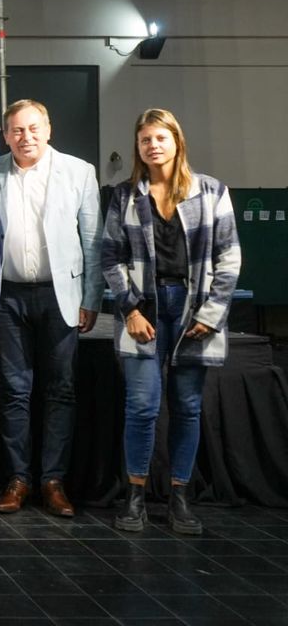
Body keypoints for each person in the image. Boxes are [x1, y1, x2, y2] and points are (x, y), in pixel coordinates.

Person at [103, 108, 240, 535]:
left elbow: (229, 258)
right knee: (142, 406)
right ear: (138, 147)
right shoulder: (125, 196)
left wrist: (211, 315)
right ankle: (135, 497)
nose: (152, 145)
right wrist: (130, 309)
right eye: (145, 139)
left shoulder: (211, 192)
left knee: (187, 407)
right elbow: (110, 255)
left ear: (177, 141)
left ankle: (180, 497)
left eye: (160, 138)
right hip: (144, 310)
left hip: (193, 310)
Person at [0, 100, 103, 517]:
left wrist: (91, 298)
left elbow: (93, 239)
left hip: (60, 296)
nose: (25, 137)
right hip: (5, 297)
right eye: (16, 130)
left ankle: (53, 481)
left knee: (60, 390)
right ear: (5, 135)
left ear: (48, 129)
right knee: (13, 390)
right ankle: (19, 479)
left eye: (32, 128)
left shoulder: (79, 172)